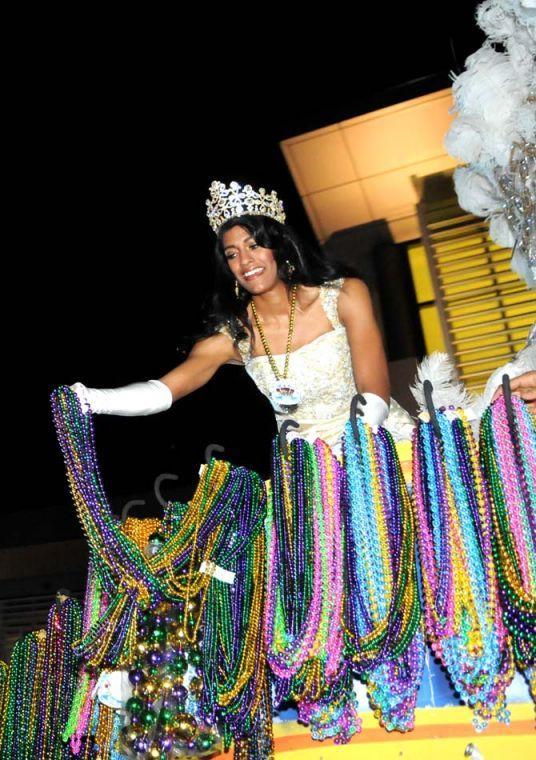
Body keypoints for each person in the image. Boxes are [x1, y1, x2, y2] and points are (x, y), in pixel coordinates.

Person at [71, 180, 416, 462]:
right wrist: (94, 400)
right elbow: (163, 392)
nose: (245, 261)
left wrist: (346, 456)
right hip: (306, 473)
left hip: (377, 447)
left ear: (278, 248)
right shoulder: (233, 336)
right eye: (232, 254)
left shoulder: (343, 295)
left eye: (254, 246)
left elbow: (375, 388)